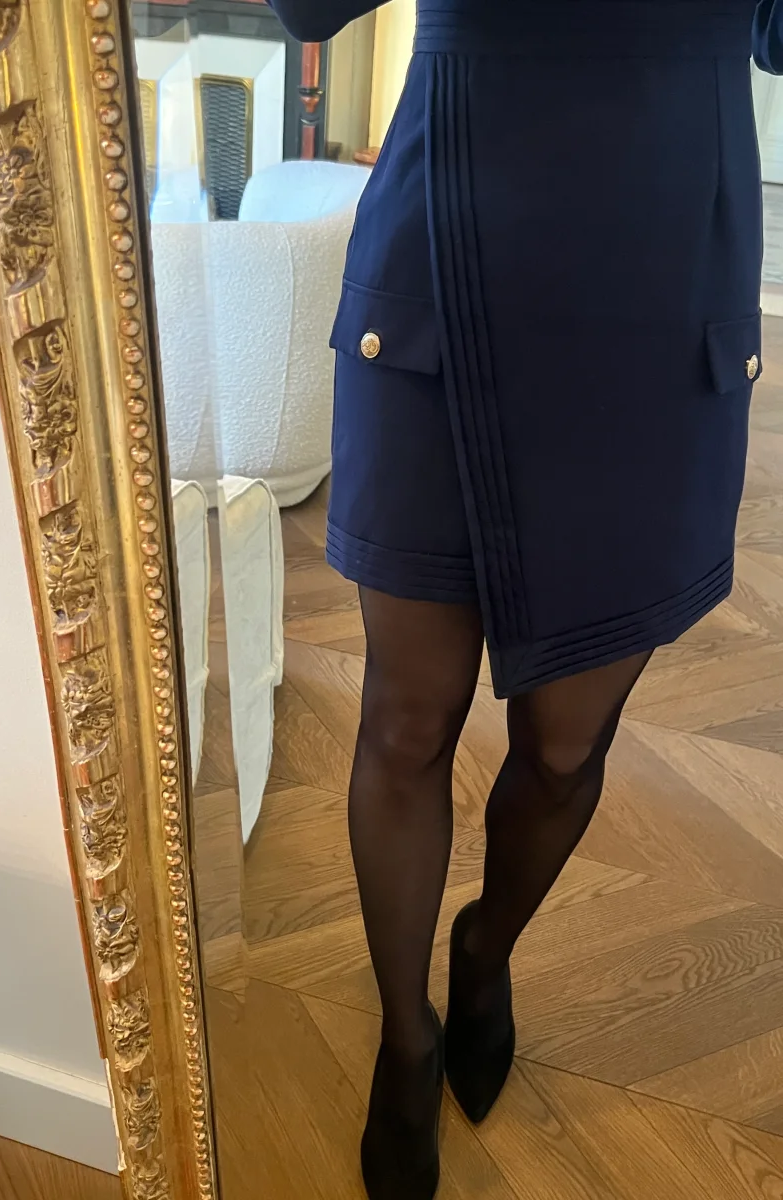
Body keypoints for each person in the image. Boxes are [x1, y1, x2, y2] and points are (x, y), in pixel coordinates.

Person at [268, 2, 781, 1197]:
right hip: (444, 262)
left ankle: (486, 946)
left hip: (658, 300)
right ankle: (407, 1037)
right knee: (405, 720)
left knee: (563, 748)